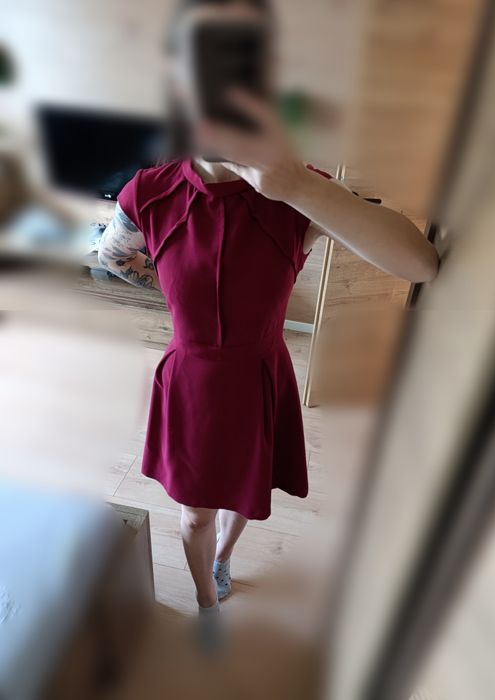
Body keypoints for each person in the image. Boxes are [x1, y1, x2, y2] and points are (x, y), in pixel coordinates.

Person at [98, 0, 438, 624]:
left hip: (261, 375)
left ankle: (224, 560)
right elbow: (113, 255)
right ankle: (206, 605)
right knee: (193, 513)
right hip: (191, 379)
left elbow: (419, 263)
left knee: (248, 501)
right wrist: (172, 292)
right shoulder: (149, 192)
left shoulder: (299, 192)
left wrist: (301, 187)